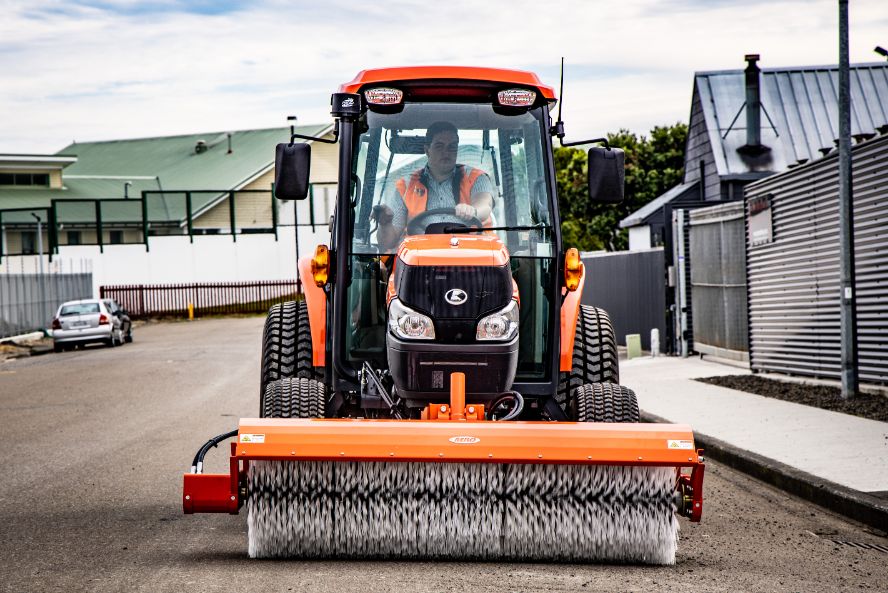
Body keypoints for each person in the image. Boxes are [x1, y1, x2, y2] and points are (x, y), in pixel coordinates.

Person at [374, 121, 494, 250]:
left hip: (473, 258)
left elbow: (484, 205)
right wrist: (385, 224)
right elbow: (386, 244)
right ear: (427, 150)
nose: (446, 152)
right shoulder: (406, 186)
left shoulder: (476, 178)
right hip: (419, 260)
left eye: (452, 147)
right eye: (439, 146)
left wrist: (473, 211)